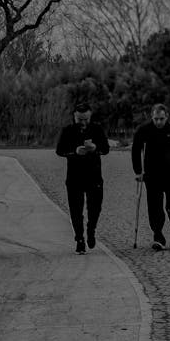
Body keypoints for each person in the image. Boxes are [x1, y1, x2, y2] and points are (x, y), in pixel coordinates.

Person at [131, 103, 170, 250]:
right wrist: (138, 171)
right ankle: (158, 235)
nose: (159, 122)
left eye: (161, 119)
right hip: (152, 174)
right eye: (156, 119)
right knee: (154, 206)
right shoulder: (143, 130)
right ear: (152, 117)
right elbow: (136, 150)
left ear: (167, 116)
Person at [56, 102, 110, 253]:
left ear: (90, 116)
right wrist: (74, 151)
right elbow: (59, 150)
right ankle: (79, 238)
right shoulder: (67, 130)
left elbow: (106, 149)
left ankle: (91, 230)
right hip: (74, 176)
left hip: (94, 175)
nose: (84, 123)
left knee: (95, 208)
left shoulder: (97, 129)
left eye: (86, 119)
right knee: (75, 210)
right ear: (74, 117)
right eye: (80, 120)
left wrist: (95, 149)